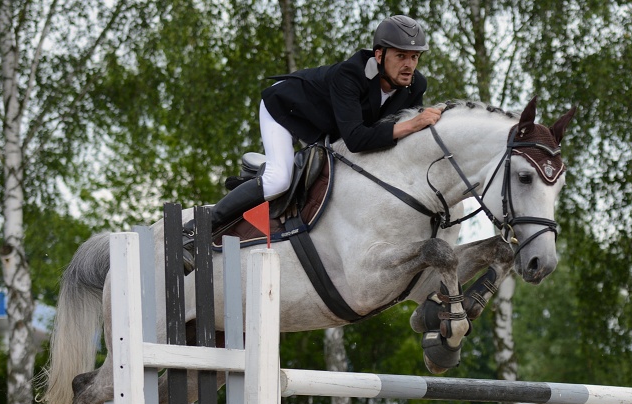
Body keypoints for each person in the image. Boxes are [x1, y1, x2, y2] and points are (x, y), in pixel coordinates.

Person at [184, 15, 442, 251]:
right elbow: (357, 139)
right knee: (279, 180)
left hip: (326, 126)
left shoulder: (415, 85)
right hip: (286, 106)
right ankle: (198, 228)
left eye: (414, 57)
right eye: (401, 56)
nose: (409, 65)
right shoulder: (351, 74)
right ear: (379, 55)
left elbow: (390, 139)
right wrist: (414, 124)